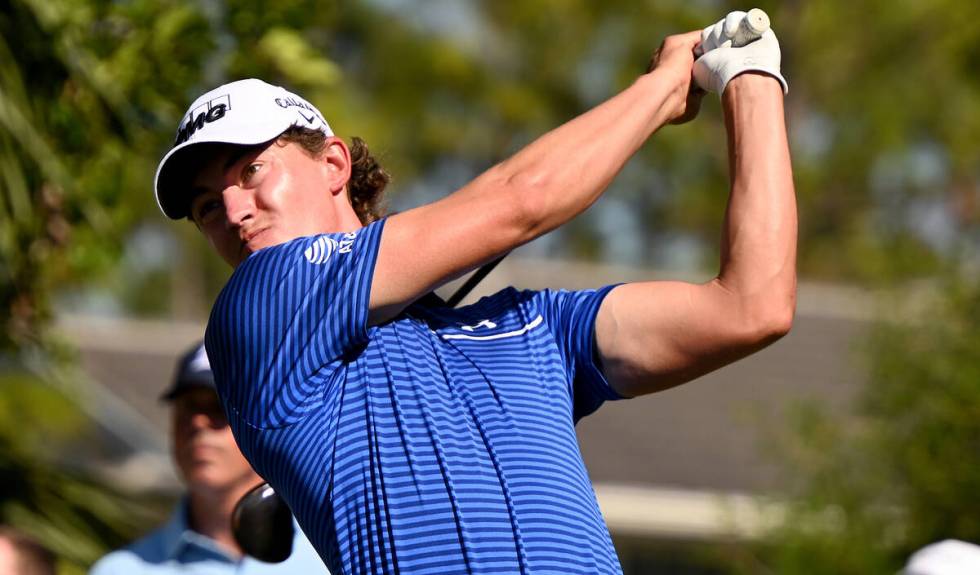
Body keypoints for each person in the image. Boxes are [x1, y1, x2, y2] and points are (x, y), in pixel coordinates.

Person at [152, 10, 796, 574]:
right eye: (208, 205)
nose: (234, 211)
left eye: (252, 170)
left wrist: (751, 75)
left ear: (333, 165)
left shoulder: (534, 326)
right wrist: (660, 89)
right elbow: (522, 201)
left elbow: (751, 306)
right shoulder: (259, 307)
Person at [89, 342, 328, 574]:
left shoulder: (333, 556)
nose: (198, 423)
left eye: (219, 407)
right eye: (188, 407)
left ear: (265, 423)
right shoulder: (119, 570)